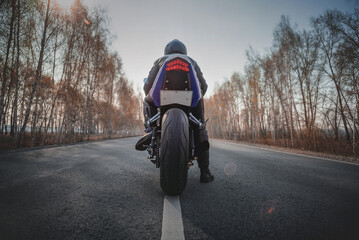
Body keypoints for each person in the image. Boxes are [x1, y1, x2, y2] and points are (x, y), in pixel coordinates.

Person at [136, 39, 214, 183]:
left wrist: (149, 91)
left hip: (160, 99)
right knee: (200, 126)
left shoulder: (160, 60)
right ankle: (205, 171)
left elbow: (147, 86)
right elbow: (203, 86)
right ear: (184, 50)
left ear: (167, 50)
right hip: (190, 100)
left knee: (146, 100)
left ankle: (149, 128)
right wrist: (198, 96)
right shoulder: (191, 61)